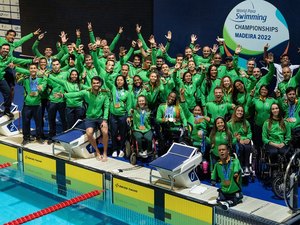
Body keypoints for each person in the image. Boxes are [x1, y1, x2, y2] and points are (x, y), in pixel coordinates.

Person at [63, 76, 109, 161]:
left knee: (105, 131)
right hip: (90, 118)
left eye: (97, 83)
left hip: (100, 118)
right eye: (94, 83)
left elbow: (106, 107)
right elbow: (75, 94)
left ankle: (105, 153)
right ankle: (98, 152)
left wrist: (105, 120)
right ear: (91, 84)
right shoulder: (86, 92)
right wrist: (64, 95)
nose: (96, 84)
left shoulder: (104, 94)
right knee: (89, 133)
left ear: (100, 84)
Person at [0, 43, 34, 118]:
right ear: (0, 49)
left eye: (7, 49)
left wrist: (31, 61)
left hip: (1, 79)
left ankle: (7, 110)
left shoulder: (10, 58)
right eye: (4, 48)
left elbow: (20, 60)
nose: (5, 50)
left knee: (8, 93)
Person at [17, 63, 46, 146]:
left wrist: (41, 88)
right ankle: (26, 138)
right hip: (27, 104)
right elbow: (18, 81)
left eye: (34, 68)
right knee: (25, 122)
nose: (33, 69)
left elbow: (43, 86)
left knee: (39, 122)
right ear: (29, 70)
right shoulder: (25, 79)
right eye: (31, 68)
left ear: (37, 69)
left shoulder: (41, 78)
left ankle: (39, 137)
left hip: (37, 104)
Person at [104, 74, 132, 158]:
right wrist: (108, 72)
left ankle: (121, 149)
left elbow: (129, 105)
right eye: (118, 80)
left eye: (121, 80)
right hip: (113, 115)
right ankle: (114, 149)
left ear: (124, 82)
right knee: (113, 133)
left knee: (123, 133)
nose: (119, 81)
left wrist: (129, 116)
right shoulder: (113, 88)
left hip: (123, 116)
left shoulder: (127, 93)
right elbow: (106, 80)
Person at [211, 144, 243, 210]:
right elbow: (214, 174)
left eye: (223, 150)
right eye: (219, 150)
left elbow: (236, 167)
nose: (221, 151)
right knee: (221, 197)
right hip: (224, 191)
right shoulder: (217, 164)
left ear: (228, 151)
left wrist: (236, 172)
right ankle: (220, 200)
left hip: (234, 191)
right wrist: (213, 180)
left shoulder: (235, 162)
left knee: (235, 199)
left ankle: (227, 203)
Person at [228, 106, 252, 175]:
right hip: (236, 141)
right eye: (238, 110)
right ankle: (240, 166)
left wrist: (248, 138)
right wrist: (238, 139)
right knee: (240, 147)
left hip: (245, 140)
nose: (240, 112)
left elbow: (249, 132)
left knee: (248, 147)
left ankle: (246, 166)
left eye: (241, 111)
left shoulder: (246, 122)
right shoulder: (230, 123)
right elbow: (229, 134)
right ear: (235, 112)